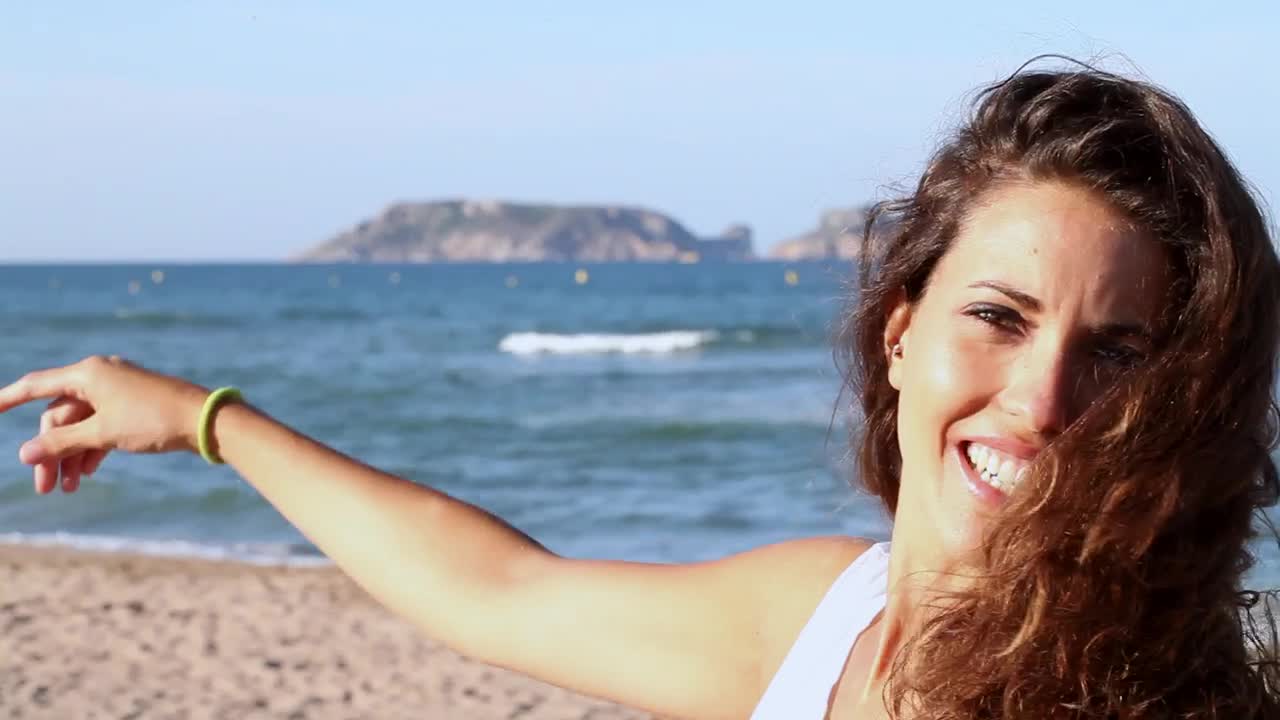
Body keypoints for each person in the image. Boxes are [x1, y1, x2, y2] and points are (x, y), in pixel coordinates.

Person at [2, 57, 1278, 719]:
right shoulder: (821, 618)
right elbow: (499, 588)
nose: (1042, 397)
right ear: (900, 335)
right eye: (996, 316)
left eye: (1117, 352)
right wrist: (209, 422)